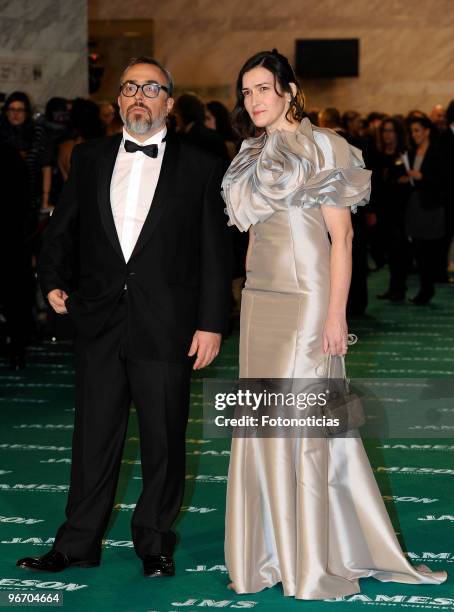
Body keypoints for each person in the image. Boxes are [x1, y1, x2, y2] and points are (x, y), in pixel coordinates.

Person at [221, 49, 447, 600]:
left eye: (263, 89)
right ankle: (268, 553)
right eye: (246, 91)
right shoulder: (250, 151)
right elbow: (252, 232)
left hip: (307, 298)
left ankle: (314, 558)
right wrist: (244, 289)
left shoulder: (325, 145)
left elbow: (341, 238)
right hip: (260, 302)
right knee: (262, 421)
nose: (253, 101)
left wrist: (336, 313)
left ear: (289, 90)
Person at [16, 56, 232, 577]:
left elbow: (214, 253)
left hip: (169, 325)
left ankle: (155, 543)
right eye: (130, 87)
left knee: (163, 440)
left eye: (151, 87)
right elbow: (63, 227)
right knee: (93, 439)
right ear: (118, 102)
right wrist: (52, 280)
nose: (139, 95)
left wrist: (211, 323)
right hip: (99, 322)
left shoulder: (201, 165)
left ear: (168, 103)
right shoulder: (87, 157)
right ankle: (75, 545)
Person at [404, 116, 446, 304]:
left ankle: (428, 288)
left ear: (427, 131)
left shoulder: (438, 151)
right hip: (415, 203)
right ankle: (425, 288)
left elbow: (444, 179)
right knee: (419, 249)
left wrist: (422, 176)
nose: (414, 135)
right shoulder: (412, 152)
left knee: (429, 249)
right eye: (412, 131)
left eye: (417, 130)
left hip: (432, 205)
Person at [373, 117, 411, 301]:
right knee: (388, 250)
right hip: (382, 209)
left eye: (391, 130)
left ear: (398, 133)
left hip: (400, 210)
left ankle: (399, 288)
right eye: (384, 131)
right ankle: (394, 287)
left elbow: (408, 183)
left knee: (399, 250)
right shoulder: (377, 154)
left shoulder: (405, 155)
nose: (387, 135)